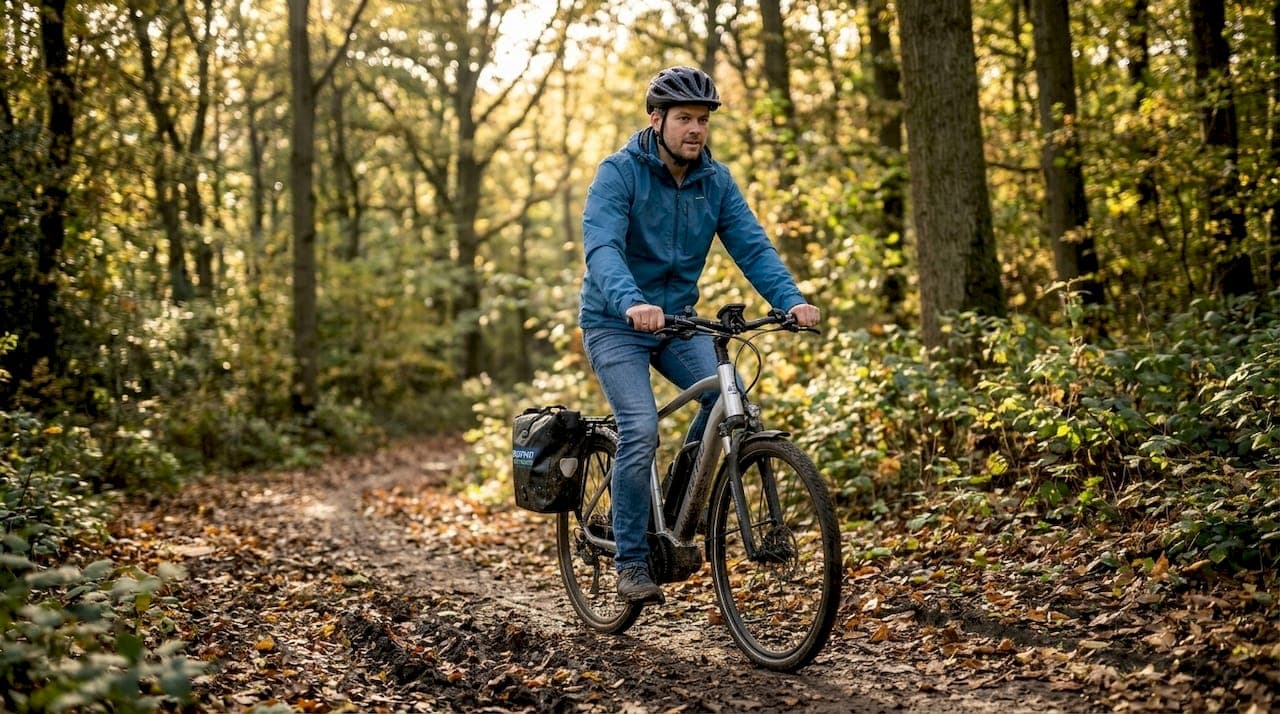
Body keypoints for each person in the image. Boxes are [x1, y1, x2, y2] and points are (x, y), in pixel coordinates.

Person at [578, 66, 820, 605]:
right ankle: (632, 563)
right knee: (639, 428)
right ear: (656, 119)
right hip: (616, 322)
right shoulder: (619, 173)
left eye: (703, 120)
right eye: (684, 118)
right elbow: (602, 249)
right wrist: (632, 302)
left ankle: (678, 497)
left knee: (725, 397)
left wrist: (791, 300)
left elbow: (753, 247)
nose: (695, 130)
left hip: (679, 321)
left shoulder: (716, 181)